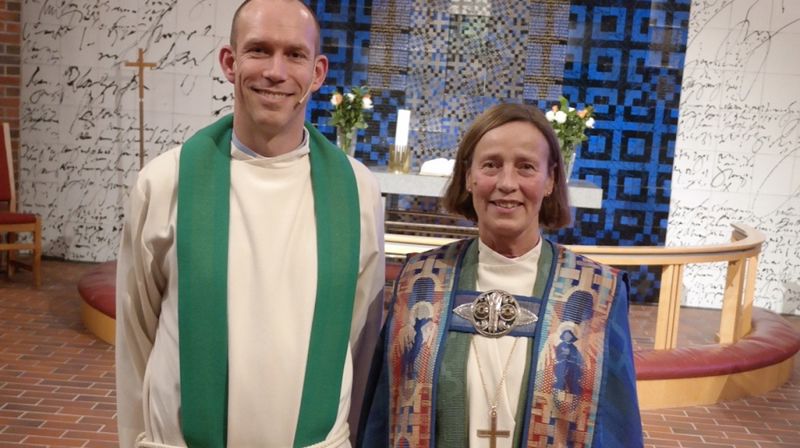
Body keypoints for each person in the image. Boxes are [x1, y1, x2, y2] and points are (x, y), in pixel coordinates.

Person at [115, 1, 385, 447]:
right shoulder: (165, 182)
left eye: (294, 55)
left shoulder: (357, 191)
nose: (275, 72)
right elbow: (135, 332)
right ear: (230, 62)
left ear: (317, 73)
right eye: (259, 50)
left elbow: (359, 336)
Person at [361, 103, 642, 447]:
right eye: (491, 165)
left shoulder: (597, 293)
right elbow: (382, 417)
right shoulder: (419, 281)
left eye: (526, 167)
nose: (507, 183)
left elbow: (618, 428)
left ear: (551, 178)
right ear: (469, 176)